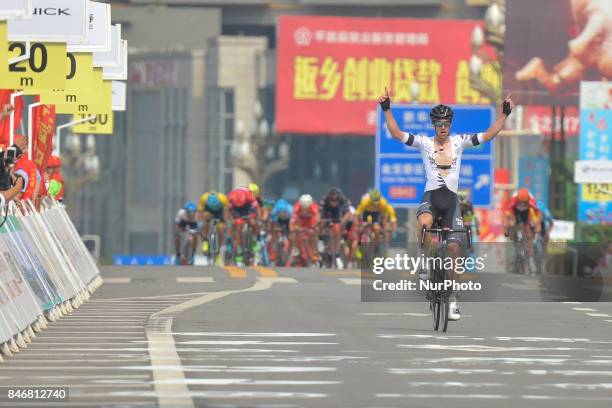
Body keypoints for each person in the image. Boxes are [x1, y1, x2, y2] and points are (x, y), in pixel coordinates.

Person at [379, 86, 514, 321]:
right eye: (439, 124)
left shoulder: (460, 142)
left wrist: (504, 114)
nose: (442, 127)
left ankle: (452, 299)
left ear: (450, 124)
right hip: (431, 197)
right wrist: (387, 109)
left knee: (453, 249)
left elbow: (488, 135)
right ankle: (424, 263)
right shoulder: (423, 143)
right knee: (424, 222)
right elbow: (397, 134)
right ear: (434, 125)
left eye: (446, 124)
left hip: (451, 202)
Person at [515, 0, 612, 94]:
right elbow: (599, 17)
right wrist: (583, 40)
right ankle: (539, 70)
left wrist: (583, 40)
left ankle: (540, 71)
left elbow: (599, 17)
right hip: (591, 54)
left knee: (557, 86)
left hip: (591, 55)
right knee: (557, 85)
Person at [503, 188, 543, 273]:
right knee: (512, 223)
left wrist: (536, 226)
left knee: (530, 230)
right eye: (520, 201)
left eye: (524, 202)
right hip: (515, 212)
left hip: (527, 213)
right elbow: (507, 215)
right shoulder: (513, 200)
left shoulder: (531, 201)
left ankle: (531, 261)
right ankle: (514, 241)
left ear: (528, 199)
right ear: (517, 198)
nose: (522, 203)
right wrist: (506, 228)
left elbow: (538, 215)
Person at [353, 189, 397, 256]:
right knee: (360, 229)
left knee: (377, 229)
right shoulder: (365, 202)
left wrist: (384, 227)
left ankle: (377, 246)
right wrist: (357, 225)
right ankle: (359, 246)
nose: (375, 204)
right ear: (370, 198)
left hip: (376, 214)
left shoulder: (383, 203)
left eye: (377, 202)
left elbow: (385, 217)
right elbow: (357, 214)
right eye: (373, 202)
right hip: (366, 213)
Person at [227, 186, 259, 265]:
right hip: (235, 209)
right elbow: (228, 210)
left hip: (247, 206)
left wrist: (253, 217)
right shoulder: (230, 197)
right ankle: (239, 249)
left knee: (252, 222)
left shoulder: (249, 195)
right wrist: (231, 219)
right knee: (238, 225)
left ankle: (254, 239)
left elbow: (256, 207)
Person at [319, 187, 351, 265]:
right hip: (327, 214)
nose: (334, 202)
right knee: (320, 226)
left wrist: (343, 222)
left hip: (338, 216)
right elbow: (319, 213)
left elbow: (347, 213)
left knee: (337, 229)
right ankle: (320, 242)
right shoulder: (324, 200)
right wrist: (321, 221)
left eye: (336, 200)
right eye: (332, 200)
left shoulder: (343, 200)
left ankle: (336, 252)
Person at [197, 190, 229, 263]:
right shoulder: (204, 198)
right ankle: (205, 240)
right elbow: (200, 211)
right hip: (208, 210)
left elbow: (227, 210)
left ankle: (218, 250)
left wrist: (226, 220)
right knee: (206, 222)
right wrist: (200, 221)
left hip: (219, 212)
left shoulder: (222, 198)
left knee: (221, 230)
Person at [290, 194, 320, 265]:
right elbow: (293, 219)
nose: (305, 209)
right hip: (301, 222)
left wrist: (316, 227)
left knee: (313, 234)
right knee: (294, 234)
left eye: (307, 207)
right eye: (303, 207)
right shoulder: (297, 207)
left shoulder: (314, 207)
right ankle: (295, 248)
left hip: (310, 222)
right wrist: (294, 228)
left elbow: (317, 218)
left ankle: (315, 251)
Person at [12, 134, 41, 205]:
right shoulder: (30, 163)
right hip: (27, 204)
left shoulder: (20, 168)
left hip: (19, 208)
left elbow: (17, 196)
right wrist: (33, 201)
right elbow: (38, 179)